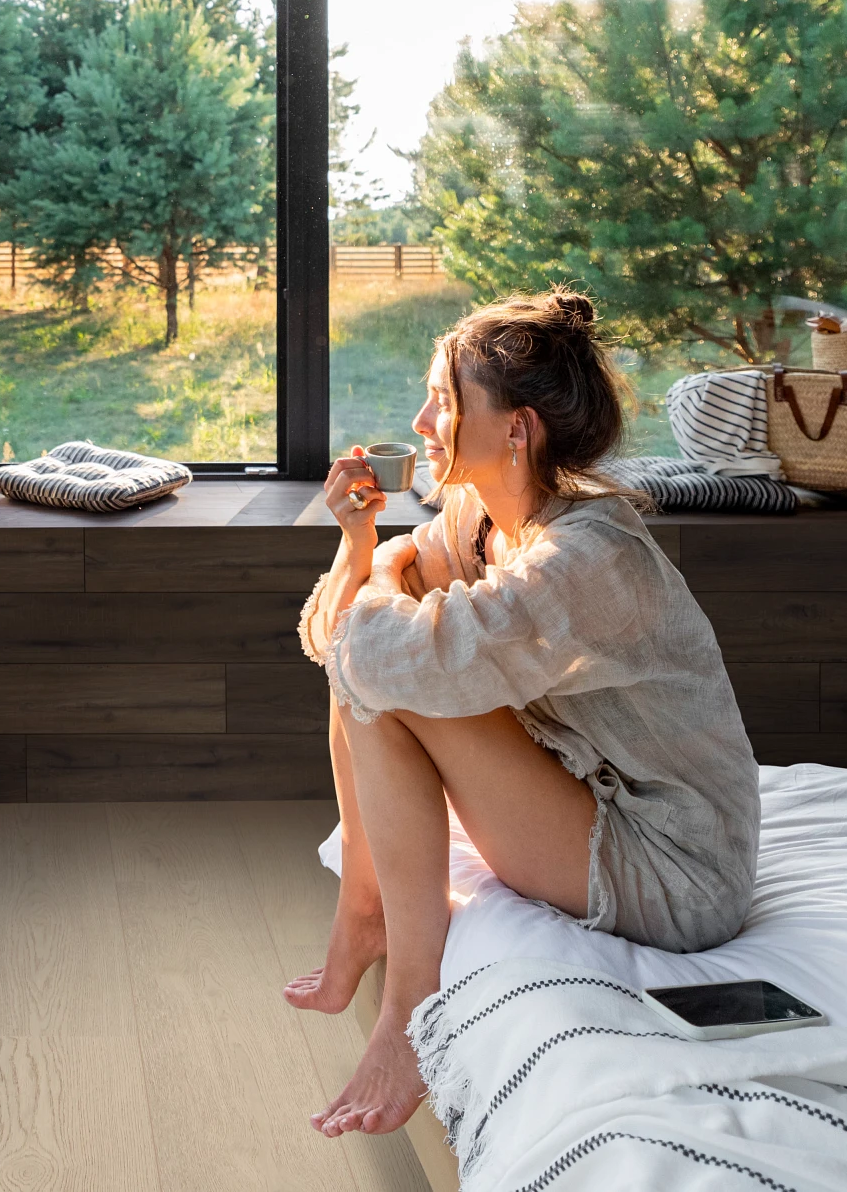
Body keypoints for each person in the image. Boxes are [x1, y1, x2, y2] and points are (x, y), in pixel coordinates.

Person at [285, 289, 758, 1139]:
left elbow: (372, 655)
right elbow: (339, 647)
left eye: (447, 399)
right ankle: (364, 910)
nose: (425, 419)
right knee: (378, 671)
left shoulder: (589, 559)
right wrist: (363, 547)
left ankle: (408, 1005)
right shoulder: (478, 518)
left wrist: (391, 571)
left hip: (676, 871)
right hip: (592, 798)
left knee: (387, 675)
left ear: (518, 428)